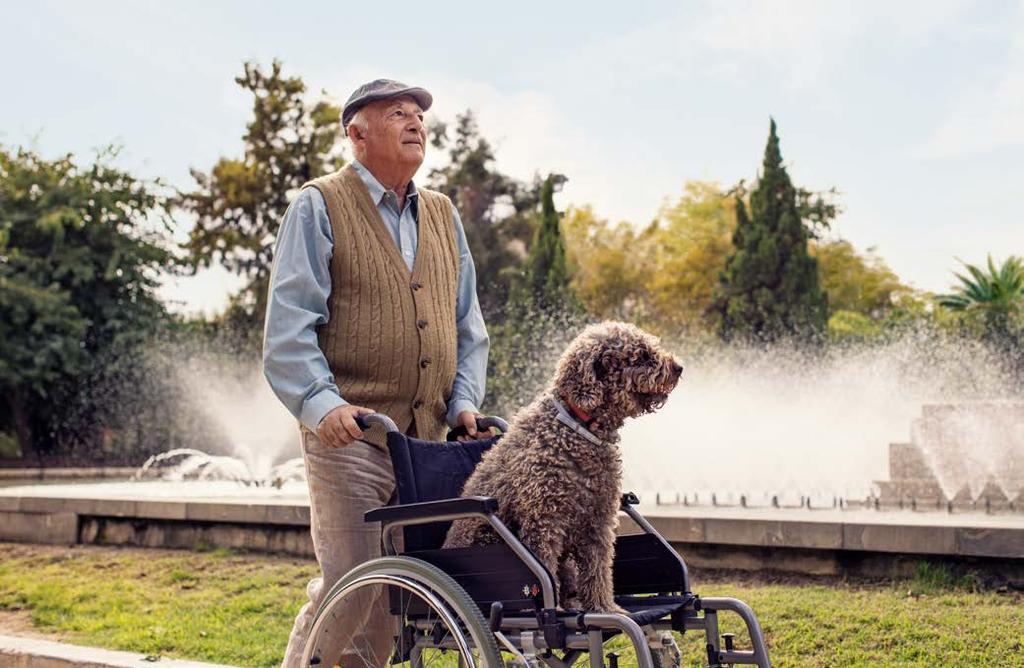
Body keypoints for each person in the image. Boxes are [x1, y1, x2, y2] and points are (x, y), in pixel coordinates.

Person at [262, 78, 489, 668]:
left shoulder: (441, 214)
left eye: (418, 114)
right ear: (356, 134)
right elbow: (288, 331)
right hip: (350, 438)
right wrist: (320, 403)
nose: (416, 122)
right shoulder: (319, 204)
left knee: (395, 603)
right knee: (350, 586)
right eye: (398, 114)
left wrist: (463, 402)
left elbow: (467, 327)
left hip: (427, 445)